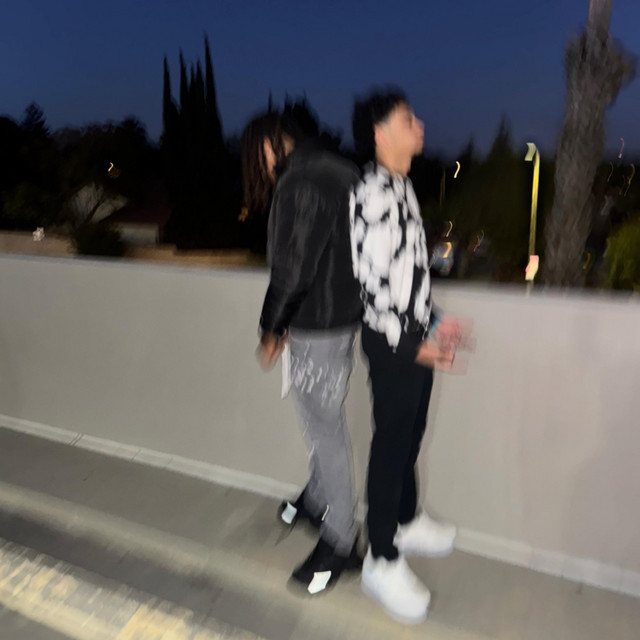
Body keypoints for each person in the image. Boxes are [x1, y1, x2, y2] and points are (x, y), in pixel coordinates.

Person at [350, 89, 469, 624]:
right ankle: (380, 560)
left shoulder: (401, 187)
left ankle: (404, 520)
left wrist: (436, 322)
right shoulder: (373, 194)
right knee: (391, 445)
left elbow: (409, 277)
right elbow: (371, 287)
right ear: (380, 134)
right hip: (392, 342)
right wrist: (411, 343)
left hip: (412, 336)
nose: (419, 124)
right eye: (407, 119)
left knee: (409, 435)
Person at [240, 111, 362, 595]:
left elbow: (293, 267)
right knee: (319, 420)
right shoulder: (341, 168)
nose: (261, 168)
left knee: (323, 429)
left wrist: (271, 328)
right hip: (341, 317)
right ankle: (316, 499)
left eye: (258, 157)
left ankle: (341, 540)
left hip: (319, 325)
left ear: (271, 144)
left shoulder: (303, 181)